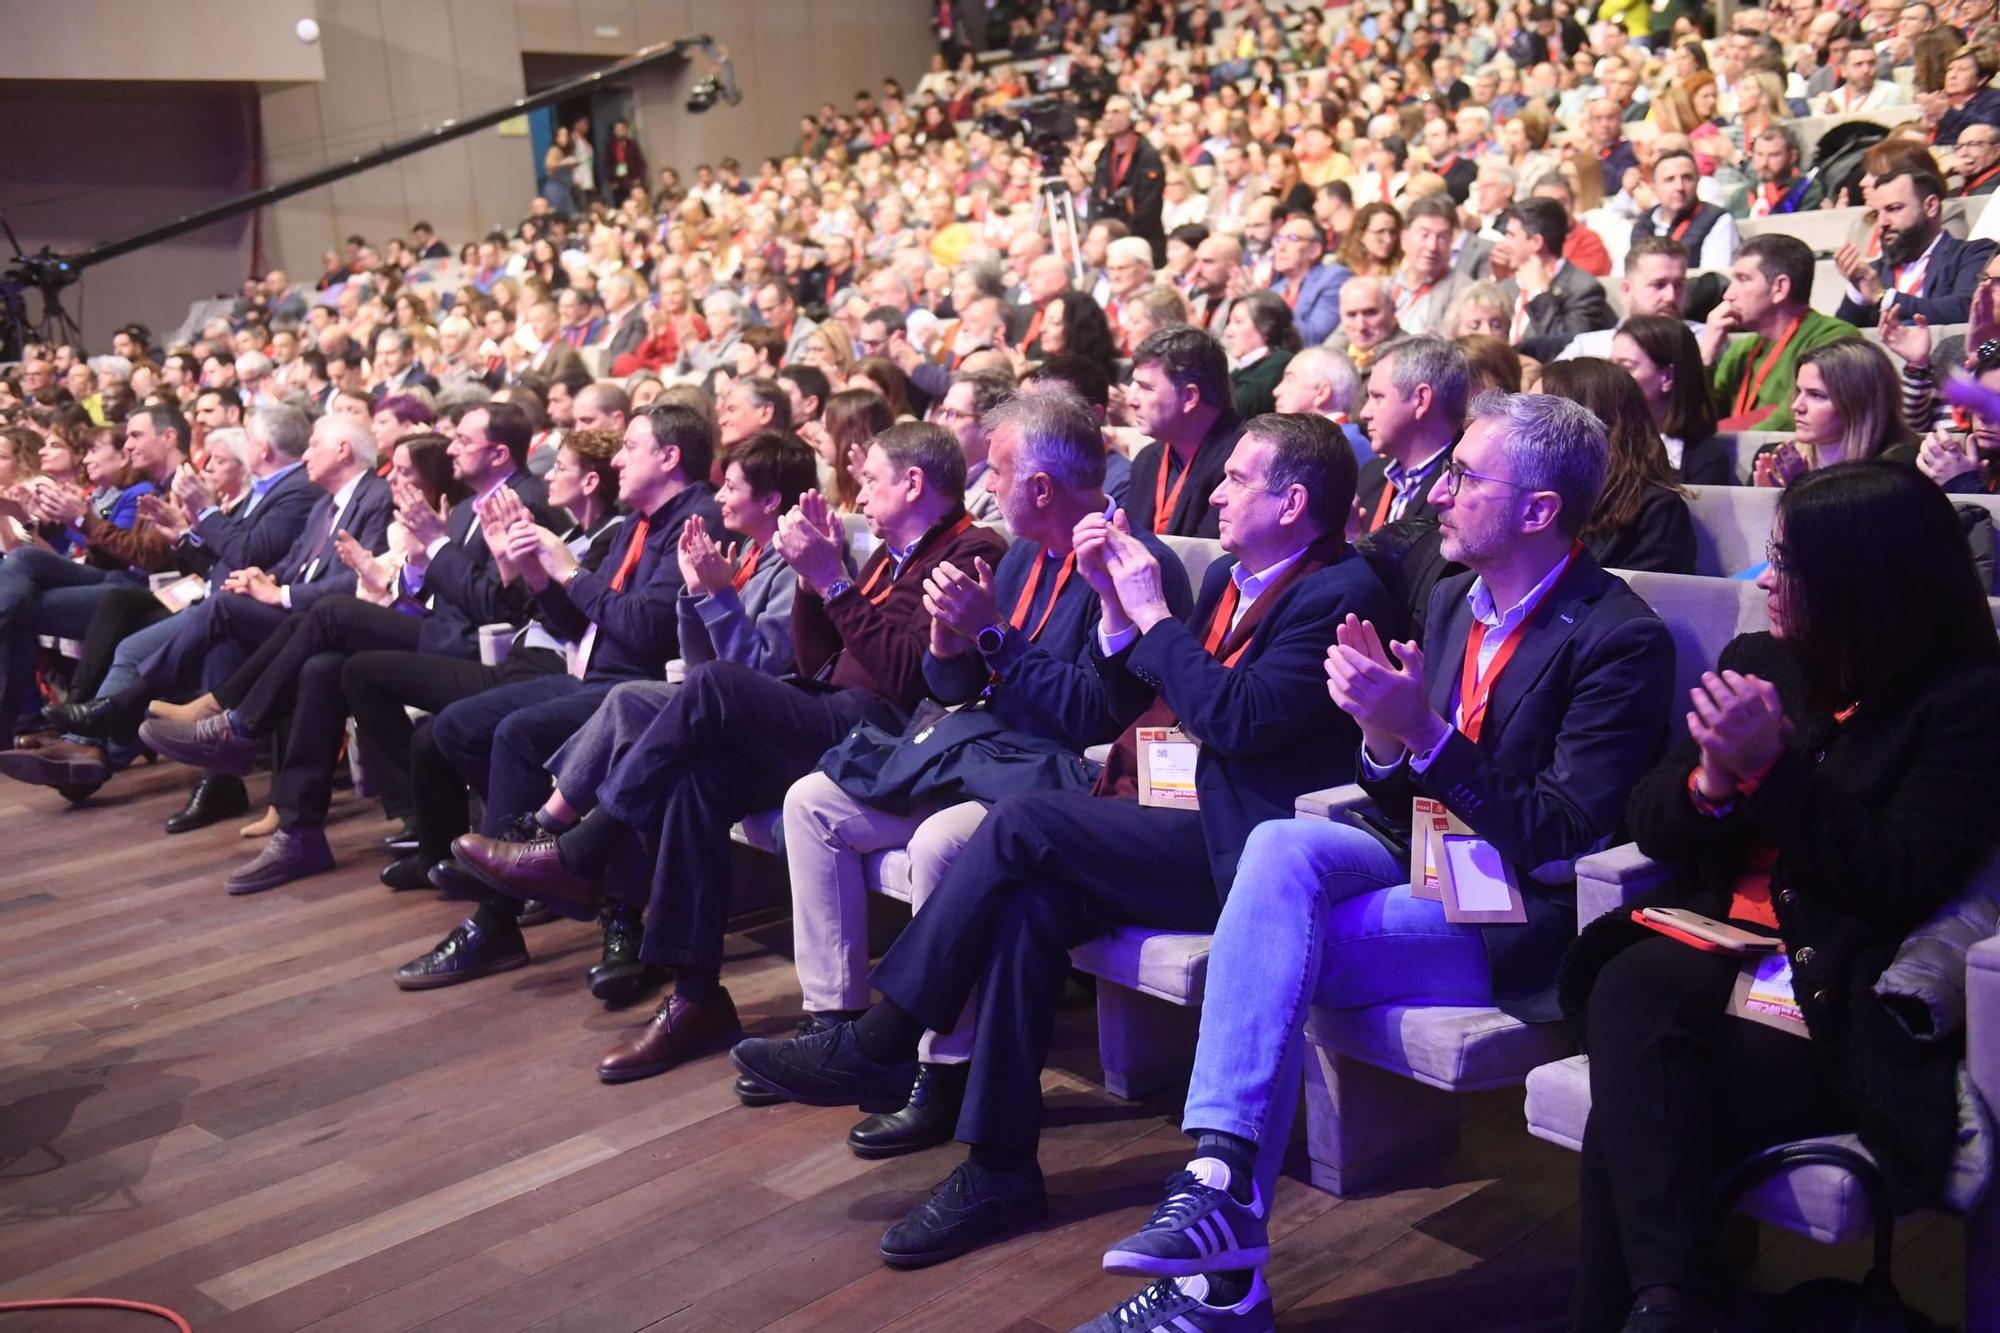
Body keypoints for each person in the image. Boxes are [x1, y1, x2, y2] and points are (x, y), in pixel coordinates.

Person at [732, 413, 1399, 1271]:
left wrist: (1148, 614)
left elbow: (1239, 718)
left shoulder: (1340, 590)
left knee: (1020, 825)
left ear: (1295, 500)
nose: (1220, 493)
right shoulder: (1241, 572)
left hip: (1249, 847)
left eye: (1237, 480)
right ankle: (1000, 1164)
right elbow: (1148, 693)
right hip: (1171, 807)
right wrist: (1124, 622)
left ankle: (882, 1036)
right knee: (1027, 906)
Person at [1075, 390, 1675, 1331]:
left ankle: (1218, 1277)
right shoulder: (1447, 600)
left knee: (1268, 942)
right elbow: (1401, 786)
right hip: (1421, 860)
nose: (1439, 494)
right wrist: (1384, 743)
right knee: (1278, 844)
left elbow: (1561, 836)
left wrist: (1424, 734)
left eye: (1467, 478)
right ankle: (1220, 1182)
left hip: (1513, 912)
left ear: (1539, 509)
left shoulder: (1616, 637)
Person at [1563, 461, 2000, 1332]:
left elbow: (1897, 878)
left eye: (1787, 566)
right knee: (1633, 985)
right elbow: (1650, 814)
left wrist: (1772, 771)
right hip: (1712, 948)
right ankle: (1679, 1306)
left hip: (1835, 984)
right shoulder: (1764, 660)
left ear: (1862, 584)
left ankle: (1662, 1305)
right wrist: (1714, 783)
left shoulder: (1967, 702)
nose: (1765, 582)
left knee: (1626, 1111)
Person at [448, 422, 1008, 1081]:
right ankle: (696, 997)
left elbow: (909, 679)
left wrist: (832, 582)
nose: (860, 490)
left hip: (888, 737)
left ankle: (581, 848)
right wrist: (811, 584)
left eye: (873, 479)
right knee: (698, 780)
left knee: (711, 683)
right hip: (834, 714)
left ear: (913, 484)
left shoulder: (972, 548)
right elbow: (819, 659)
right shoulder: (892, 555)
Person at [763, 392, 1191, 1143]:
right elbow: (951, 689)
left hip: (1050, 776)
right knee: (811, 804)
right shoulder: (1020, 553)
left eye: (995, 472)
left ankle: (942, 1070)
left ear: (1040, 487)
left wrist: (991, 633)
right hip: (980, 752)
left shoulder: (1131, 560)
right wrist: (948, 644)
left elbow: (1094, 715)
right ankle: (836, 1026)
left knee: (939, 844)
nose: (983, 487)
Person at [394, 431, 805, 999]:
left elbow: (661, 640)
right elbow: (604, 631)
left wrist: (573, 573)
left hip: (651, 683)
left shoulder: (721, 532)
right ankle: (545, 865)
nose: (615, 460)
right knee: (460, 727)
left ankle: (557, 873)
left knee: (597, 722)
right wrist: (538, 576)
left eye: (629, 447)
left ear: (669, 456)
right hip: (625, 680)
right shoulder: (648, 529)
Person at [137, 404, 552, 893]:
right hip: (438, 629)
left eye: (464, 439)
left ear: (499, 453)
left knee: (332, 612)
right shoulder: (467, 505)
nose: (453, 445)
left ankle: (238, 722)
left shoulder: (527, 501)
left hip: (482, 650)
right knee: (326, 667)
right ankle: (304, 831)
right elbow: (441, 590)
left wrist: (436, 548)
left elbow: (497, 610)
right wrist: (416, 565)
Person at [1538, 358, 1697, 574]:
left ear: (1588, 421)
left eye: (1537, 412)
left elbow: (1644, 601)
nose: (1518, 424)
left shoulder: (1657, 510)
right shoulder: (1525, 489)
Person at [1706, 235, 1859, 432]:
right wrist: (1705, 356)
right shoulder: (1742, 349)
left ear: (1780, 288)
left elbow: (1792, 419)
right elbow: (1695, 418)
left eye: (1743, 279)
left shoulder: (1834, 338)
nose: (1728, 295)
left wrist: (1721, 444)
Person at [1834, 166, 1997, 328]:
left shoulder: (1972, 253)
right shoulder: (1874, 271)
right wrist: (1857, 294)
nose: (1882, 222)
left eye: (1894, 209)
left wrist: (1884, 297)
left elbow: (1968, 308)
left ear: (1931, 206)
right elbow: (1841, 337)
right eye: (1877, 213)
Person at [1124, 326, 1244, 539]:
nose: (1131, 400)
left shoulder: (1241, 463)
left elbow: (1213, 557)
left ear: (1189, 397)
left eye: (1146, 388)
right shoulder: (1147, 461)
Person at [1751, 338, 1917, 489]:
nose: (1796, 406)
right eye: (1799, 391)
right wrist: (1762, 501)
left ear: (1858, 403)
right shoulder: (1774, 459)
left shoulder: (1898, 467)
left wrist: (1795, 493)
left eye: (1816, 395)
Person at [1355, 335, 1467, 533]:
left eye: (1378, 397)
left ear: (1421, 399)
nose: (1364, 413)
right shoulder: (1371, 476)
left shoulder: (1463, 488)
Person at [1611, 315, 1730, 485]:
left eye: (1626, 367)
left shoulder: (1705, 458)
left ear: (1667, 377)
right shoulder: (1602, 441)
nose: (1611, 376)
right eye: (1611, 364)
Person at [1495, 197, 1615, 362]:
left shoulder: (1582, 289)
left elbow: (1568, 352)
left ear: (1537, 242)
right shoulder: (1507, 286)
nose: (1504, 244)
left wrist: (1540, 296)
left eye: (1511, 236)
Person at [1630, 150, 1739, 274]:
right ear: (1654, 187)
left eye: (1687, 178)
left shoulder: (1717, 220)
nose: (1679, 187)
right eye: (1669, 180)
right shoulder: (1642, 224)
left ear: (1698, 181)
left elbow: (1714, 279)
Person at [1391, 193, 1481, 338]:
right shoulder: (1386, 285)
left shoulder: (1464, 293)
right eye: (1424, 235)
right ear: (1404, 238)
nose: (1432, 246)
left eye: (1442, 237)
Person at [1093, 96, 1167, 262]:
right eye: (1106, 112)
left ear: (1132, 117)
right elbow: (1096, 196)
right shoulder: (1105, 154)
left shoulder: (1147, 155)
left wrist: (1125, 239)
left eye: (1116, 112)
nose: (1108, 117)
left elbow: (1149, 208)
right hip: (1110, 240)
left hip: (1142, 241)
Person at [1222, 291, 1301, 420]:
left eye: (1238, 322)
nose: (1227, 332)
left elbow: (1236, 409)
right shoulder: (1243, 369)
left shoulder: (1279, 363)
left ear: (1266, 327)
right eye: (1229, 323)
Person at [1266, 216, 1344, 345]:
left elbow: (1314, 338)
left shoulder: (1334, 278)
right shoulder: (1275, 290)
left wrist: (1267, 306)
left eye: (1292, 238)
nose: (1281, 247)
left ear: (1314, 250)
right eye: (1278, 239)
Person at [1732, 125, 1826, 218]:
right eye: (1759, 154)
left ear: (1792, 157)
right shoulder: (1741, 196)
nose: (1764, 163)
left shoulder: (1807, 189)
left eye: (1774, 155)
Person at [1331, 276, 1402, 373]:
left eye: (1371, 313)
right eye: (1351, 315)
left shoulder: (1408, 359)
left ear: (1392, 309)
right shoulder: (1333, 358)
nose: (1361, 326)